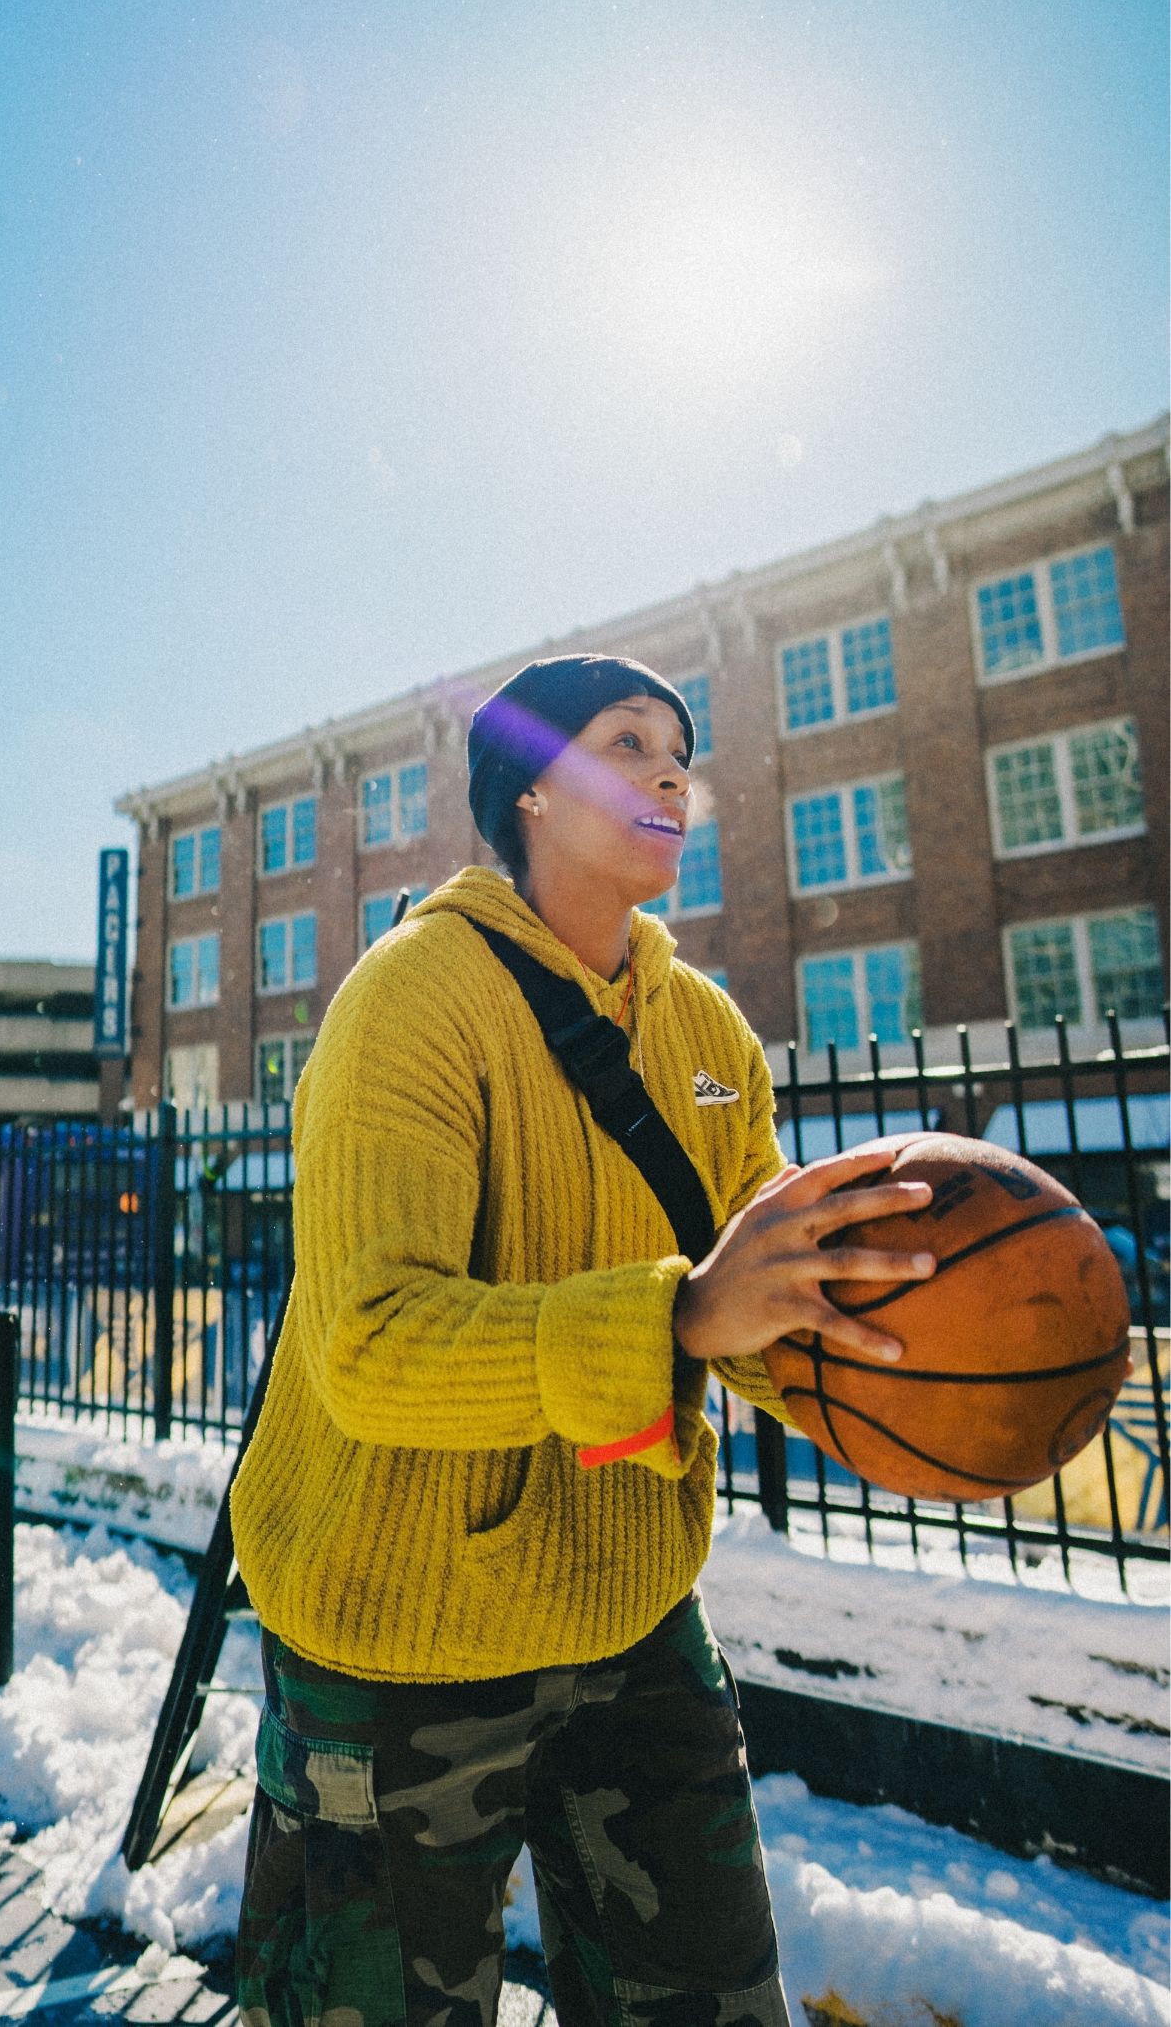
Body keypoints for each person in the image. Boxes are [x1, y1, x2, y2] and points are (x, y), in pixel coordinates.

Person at [232, 653, 936, 2027]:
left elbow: (748, 1308)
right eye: (626, 744)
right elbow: (372, 1344)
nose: (672, 774)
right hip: (401, 1642)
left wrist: (893, 1370)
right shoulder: (411, 997)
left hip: (631, 1613)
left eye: (681, 753)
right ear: (532, 793)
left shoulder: (706, 1028)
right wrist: (678, 1315)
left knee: (714, 2003)